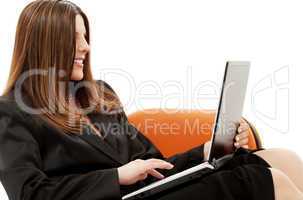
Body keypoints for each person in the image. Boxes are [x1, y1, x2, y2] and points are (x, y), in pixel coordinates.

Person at [0, 1, 302, 200]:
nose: (86, 46)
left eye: (85, 36)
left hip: (149, 193)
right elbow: (28, 193)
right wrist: (117, 176)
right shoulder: (12, 111)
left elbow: (153, 165)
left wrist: (205, 152)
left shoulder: (99, 95)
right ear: (46, 44)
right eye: (75, 38)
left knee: (279, 158)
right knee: (257, 179)